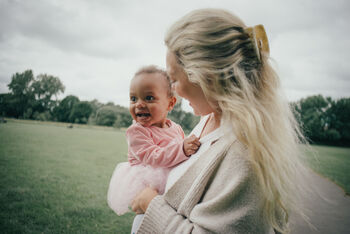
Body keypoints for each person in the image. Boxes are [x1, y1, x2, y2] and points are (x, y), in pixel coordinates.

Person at [130, 9, 309, 234]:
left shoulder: (244, 152)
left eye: (174, 79)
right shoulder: (209, 119)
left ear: (206, 76)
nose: (172, 89)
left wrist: (151, 205)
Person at [107, 65, 201, 216]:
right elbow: (153, 157)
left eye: (149, 98)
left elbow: (183, 155)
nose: (139, 104)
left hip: (172, 181)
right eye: (133, 98)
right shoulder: (136, 131)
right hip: (148, 184)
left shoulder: (175, 127)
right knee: (147, 219)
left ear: (170, 104)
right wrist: (182, 149)